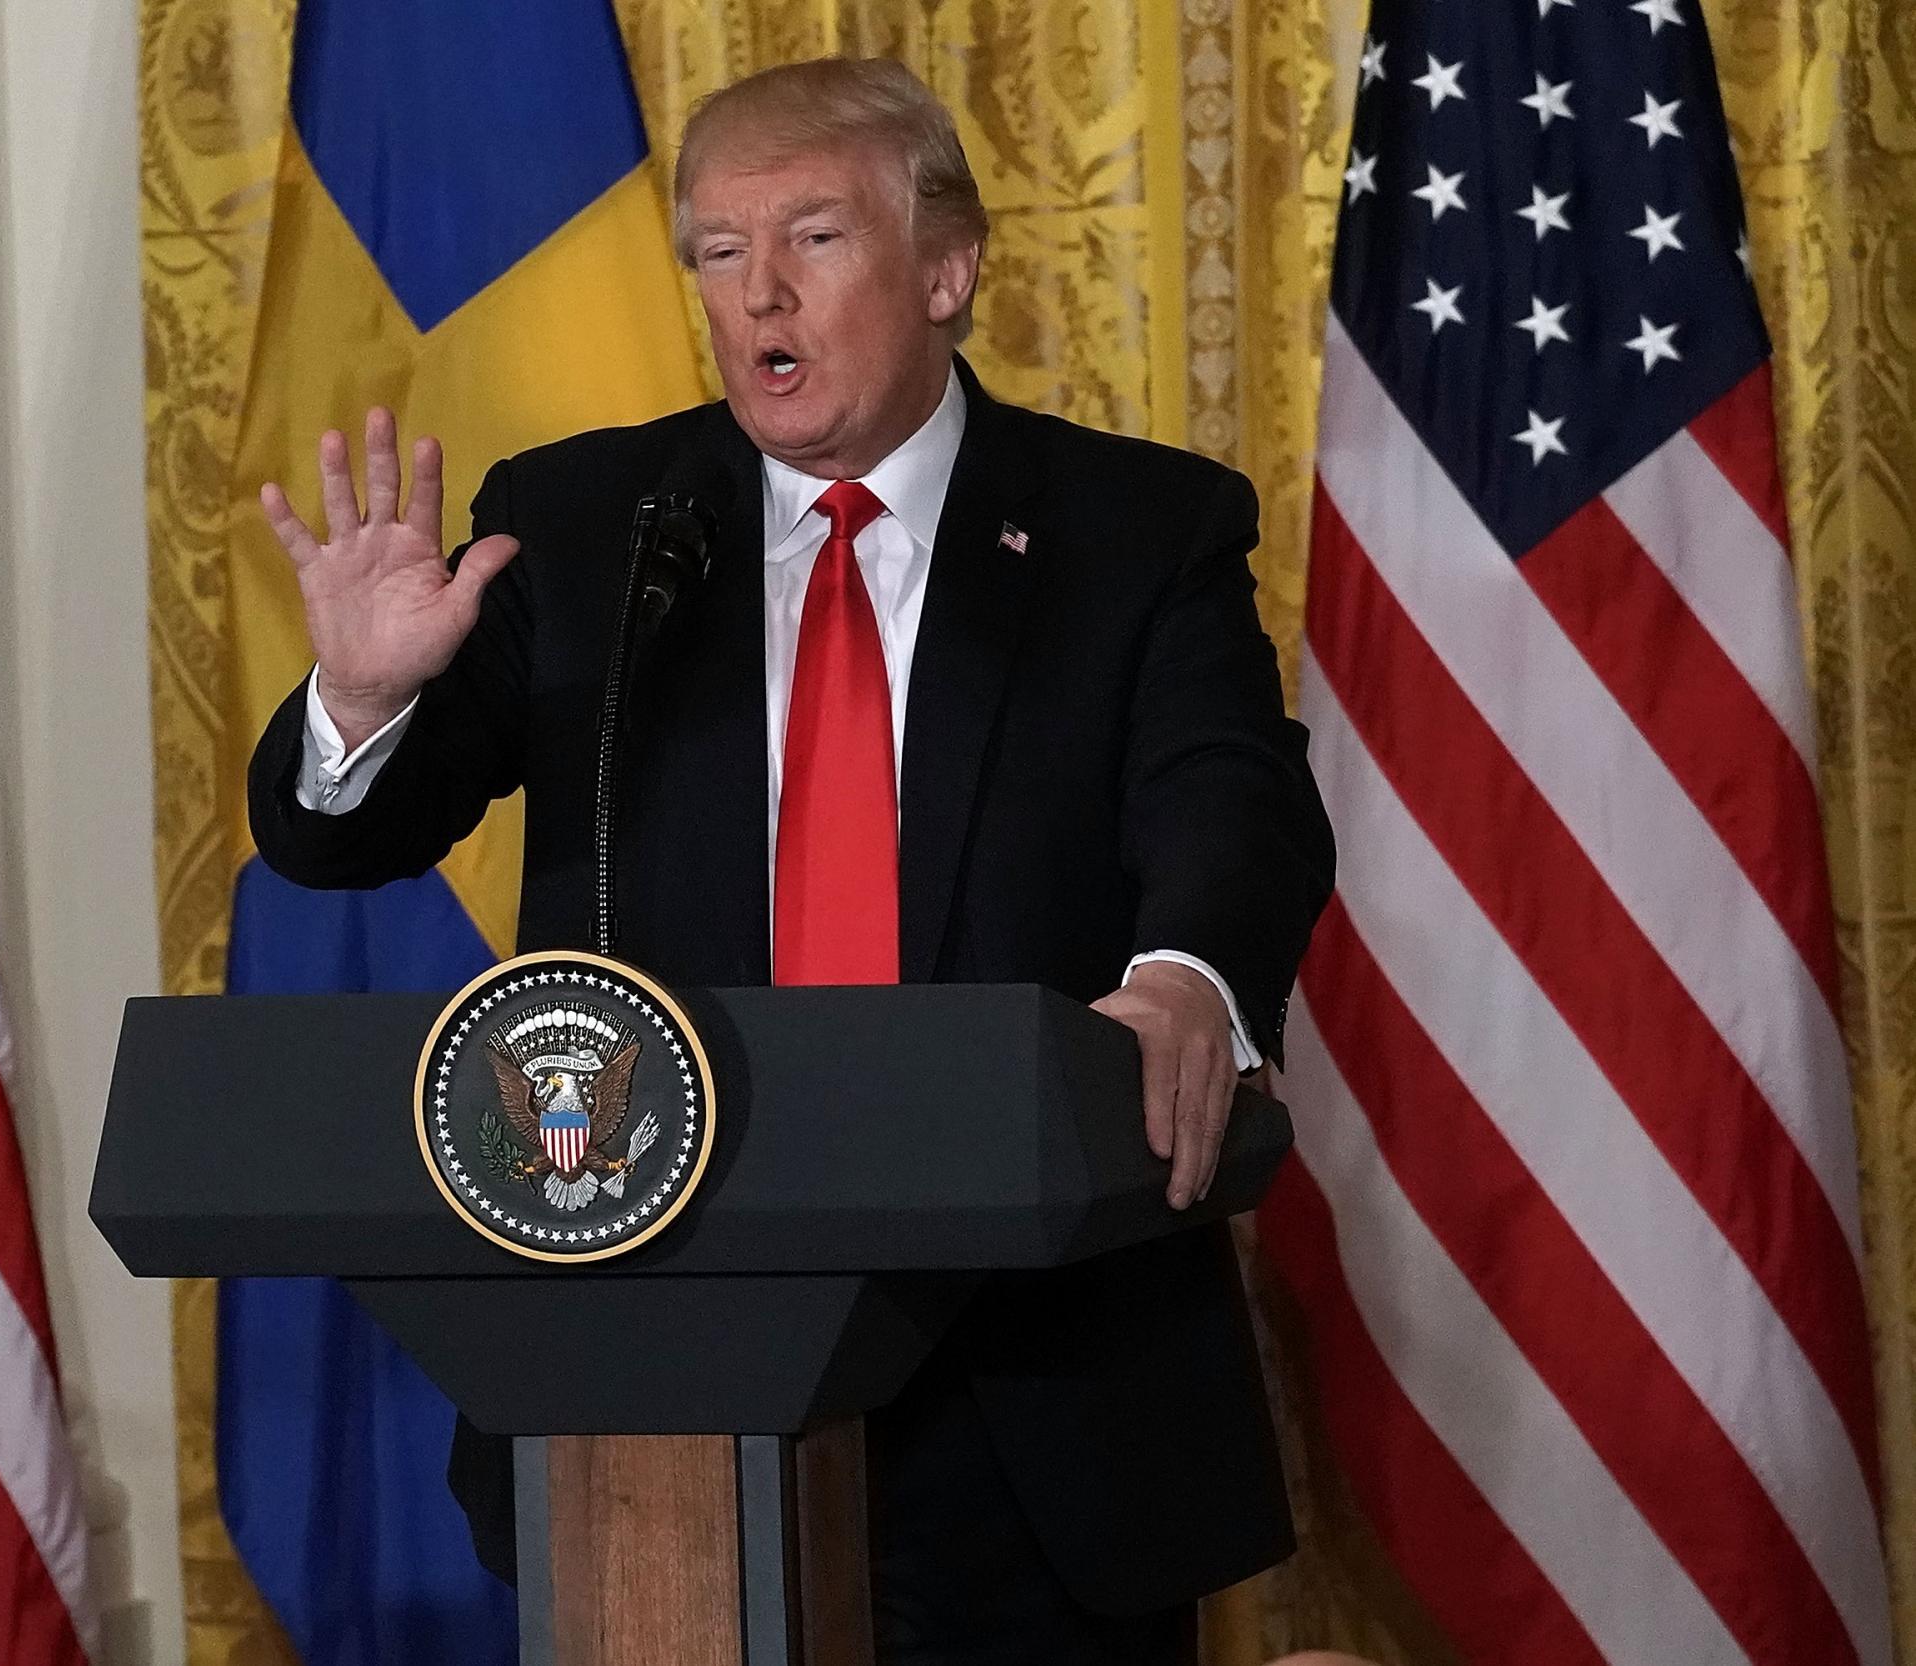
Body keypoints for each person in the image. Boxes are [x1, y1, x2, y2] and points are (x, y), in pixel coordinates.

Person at [248, 55, 1335, 1666]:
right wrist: (361, 693)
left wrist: (1187, 979)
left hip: (1027, 1385)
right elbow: (345, 838)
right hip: (660, 1377)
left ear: (947, 268)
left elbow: (1234, 803)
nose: (758, 291)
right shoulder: (589, 519)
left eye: (815, 239)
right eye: (715, 249)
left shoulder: (1136, 528)